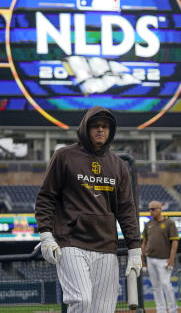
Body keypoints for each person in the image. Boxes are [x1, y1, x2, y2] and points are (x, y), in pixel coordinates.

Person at [35, 106, 142, 313]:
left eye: (104, 126)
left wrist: (135, 249)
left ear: (111, 131)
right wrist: (46, 236)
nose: (100, 130)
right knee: (81, 300)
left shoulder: (118, 165)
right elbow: (46, 197)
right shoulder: (64, 156)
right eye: (95, 126)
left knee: (103, 309)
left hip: (106, 246)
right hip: (71, 242)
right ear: (85, 128)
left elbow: (126, 209)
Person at [142, 200, 179, 313]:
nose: (150, 211)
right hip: (150, 258)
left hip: (164, 259)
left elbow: (175, 242)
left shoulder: (169, 223)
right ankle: (161, 310)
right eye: (149, 209)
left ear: (160, 209)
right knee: (155, 286)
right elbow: (144, 242)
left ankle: (173, 310)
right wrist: (143, 261)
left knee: (166, 284)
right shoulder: (148, 224)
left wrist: (171, 259)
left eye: (153, 209)